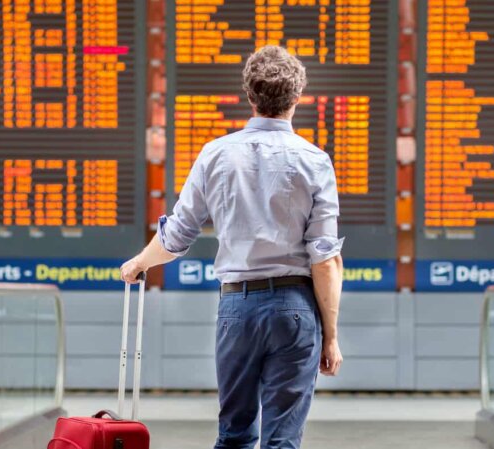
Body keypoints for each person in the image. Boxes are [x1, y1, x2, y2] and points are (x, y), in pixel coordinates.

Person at [120, 45, 344, 449]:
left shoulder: (216, 154)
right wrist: (330, 337)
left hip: (237, 309)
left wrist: (138, 263)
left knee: (235, 435)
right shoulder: (315, 160)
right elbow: (325, 260)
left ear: (249, 95)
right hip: (295, 310)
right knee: (282, 441)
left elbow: (176, 236)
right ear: (297, 98)